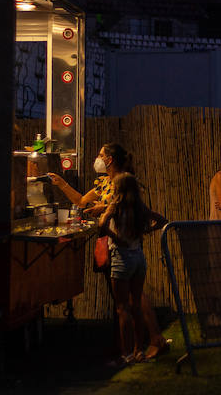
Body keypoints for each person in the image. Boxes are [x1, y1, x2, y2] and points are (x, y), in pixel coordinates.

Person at [46, 143, 171, 360]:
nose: (98, 158)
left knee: (134, 299)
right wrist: (62, 184)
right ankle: (132, 346)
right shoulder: (104, 183)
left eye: (101, 155)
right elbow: (82, 201)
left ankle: (149, 341)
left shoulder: (125, 181)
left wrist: (104, 211)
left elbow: (128, 206)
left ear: (110, 159)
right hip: (113, 246)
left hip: (125, 247)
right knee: (126, 301)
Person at [99, 172, 168, 365]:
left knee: (122, 309)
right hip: (138, 257)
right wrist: (147, 231)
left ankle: (126, 354)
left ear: (118, 188)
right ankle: (139, 351)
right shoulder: (139, 207)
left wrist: (115, 237)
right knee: (136, 305)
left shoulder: (116, 206)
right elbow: (162, 220)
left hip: (121, 258)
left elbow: (101, 224)